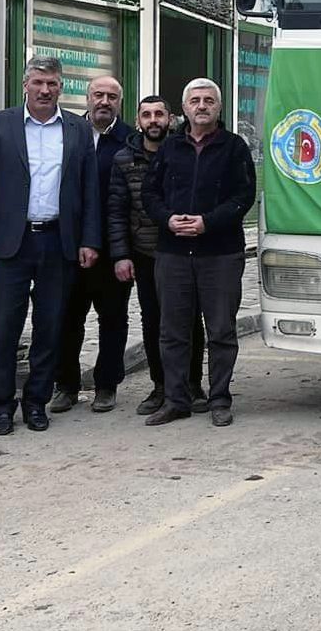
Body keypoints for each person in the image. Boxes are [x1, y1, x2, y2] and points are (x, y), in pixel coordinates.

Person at [0, 57, 101, 436]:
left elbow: (89, 192)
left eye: (53, 84)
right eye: (39, 82)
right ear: (25, 85)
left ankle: (36, 401)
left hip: (58, 243)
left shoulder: (77, 129)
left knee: (51, 328)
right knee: (5, 328)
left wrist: (90, 240)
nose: (45, 90)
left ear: (62, 87)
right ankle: (0, 405)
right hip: (11, 244)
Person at [141, 79, 256, 428]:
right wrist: (167, 220)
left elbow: (243, 198)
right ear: (185, 108)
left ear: (219, 108)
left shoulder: (234, 148)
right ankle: (177, 400)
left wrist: (207, 223)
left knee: (221, 331)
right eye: (195, 100)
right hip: (173, 252)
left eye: (209, 100)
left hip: (220, 254)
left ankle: (219, 398)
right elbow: (150, 195)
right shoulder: (170, 149)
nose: (202, 105)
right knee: (172, 331)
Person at [108, 95, 207, 416]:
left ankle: (192, 385)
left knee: (189, 320)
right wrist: (121, 255)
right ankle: (161, 385)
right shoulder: (124, 159)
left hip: (183, 250)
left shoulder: (185, 152)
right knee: (153, 322)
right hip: (146, 253)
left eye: (159, 115)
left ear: (171, 118)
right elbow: (117, 211)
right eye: (146, 115)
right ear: (138, 120)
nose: (153, 120)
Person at [51, 75, 136, 414]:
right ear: (86, 98)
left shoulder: (130, 140)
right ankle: (66, 386)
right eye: (98, 95)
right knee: (67, 318)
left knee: (113, 319)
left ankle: (106, 385)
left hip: (113, 248)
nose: (104, 101)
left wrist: (125, 250)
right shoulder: (67, 132)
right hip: (68, 246)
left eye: (112, 96)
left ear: (120, 102)